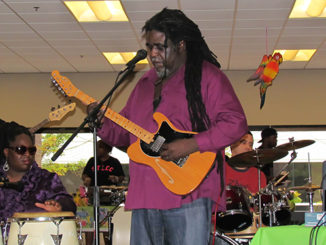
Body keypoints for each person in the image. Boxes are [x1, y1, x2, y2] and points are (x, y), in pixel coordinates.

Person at [88, 8, 248, 245]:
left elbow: (236, 123)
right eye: (150, 46)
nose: (153, 54)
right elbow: (124, 134)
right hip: (144, 193)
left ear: (181, 45)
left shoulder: (206, 76)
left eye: (160, 47)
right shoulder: (143, 84)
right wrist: (102, 123)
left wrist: (192, 144)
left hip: (187, 192)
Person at [0, 123, 76, 225]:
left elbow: (69, 203)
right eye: (21, 150)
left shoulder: (45, 179)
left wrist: (60, 206)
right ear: (7, 152)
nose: (27, 154)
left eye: (31, 150)